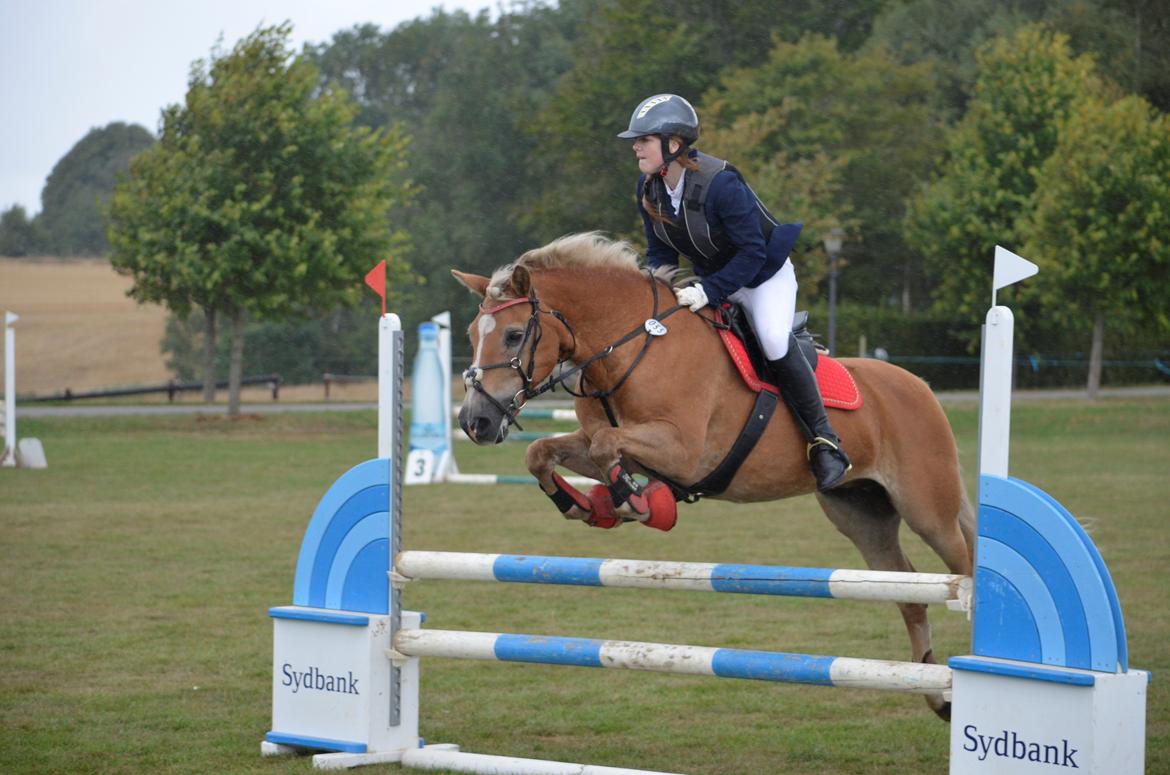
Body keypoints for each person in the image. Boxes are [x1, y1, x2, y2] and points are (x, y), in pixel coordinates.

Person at [617, 93, 851, 491]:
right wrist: (654, 290)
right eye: (636, 141)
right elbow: (660, 252)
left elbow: (752, 252)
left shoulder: (721, 183)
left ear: (674, 144)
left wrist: (709, 291)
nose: (636, 147)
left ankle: (825, 440)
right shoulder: (648, 187)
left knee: (773, 340)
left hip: (763, 277)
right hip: (713, 281)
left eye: (644, 139)